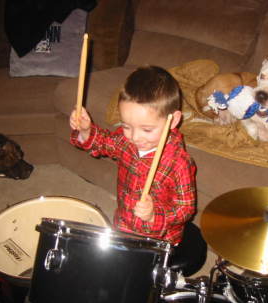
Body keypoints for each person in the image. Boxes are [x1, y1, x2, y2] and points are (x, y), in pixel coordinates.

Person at [69, 65, 197, 246]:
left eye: (147, 129)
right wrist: (86, 130)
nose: (135, 137)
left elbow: (186, 208)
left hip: (159, 238)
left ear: (174, 120)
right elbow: (103, 142)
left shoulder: (179, 163)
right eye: (127, 126)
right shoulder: (126, 140)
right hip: (123, 223)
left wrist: (155, 214)